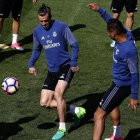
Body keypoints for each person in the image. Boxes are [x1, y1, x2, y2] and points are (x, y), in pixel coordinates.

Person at [28, 4, 86, 140]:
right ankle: (75, 110)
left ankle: (62, 128)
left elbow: (74, 44)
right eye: (41, 21)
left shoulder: (61, 26)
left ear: (50, 17)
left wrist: (74, 63)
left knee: (58, 94)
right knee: (44, 102)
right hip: (52, 70)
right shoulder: (37, 32)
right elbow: (36, 50)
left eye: (46, 21)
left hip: (66, 67)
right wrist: (31, 64)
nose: (43, 24)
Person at [87, 3, 139, 140]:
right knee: (113, 105)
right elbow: (111, 22)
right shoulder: (124, 33)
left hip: (121, 85)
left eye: (108, 32)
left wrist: (134, 97)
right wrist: (100, 10)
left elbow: (134, 74)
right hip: (119, 82)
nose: (108, 33)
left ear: (113, 34)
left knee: (98, 114)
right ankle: (117, 136)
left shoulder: (128, 50)